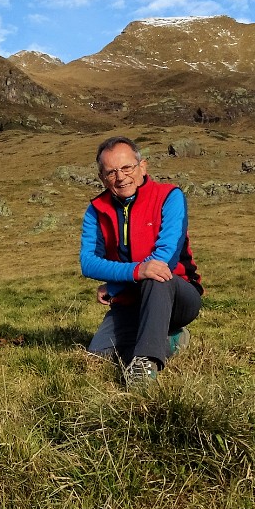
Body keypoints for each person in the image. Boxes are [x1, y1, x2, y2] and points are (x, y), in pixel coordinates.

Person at [79, 136, 203, 382]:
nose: (121, 177)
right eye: (111, 172)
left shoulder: (170, 196)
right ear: (102, 178)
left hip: (176, 294)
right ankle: (172, 341)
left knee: (157, 274)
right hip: (130, 300)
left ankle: (146, 365)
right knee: (99, 354)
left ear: (142, 166)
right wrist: (134, 273)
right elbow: (88, 263)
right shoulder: (96, 210)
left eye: (127, 168)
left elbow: (163, 260)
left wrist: (115, 283)